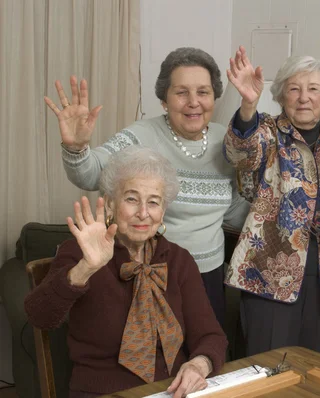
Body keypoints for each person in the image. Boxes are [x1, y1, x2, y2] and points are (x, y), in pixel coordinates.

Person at [44, 47, 250, 327]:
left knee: (207, 358)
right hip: (154, 271)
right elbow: (91, 175)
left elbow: (234, 208)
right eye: (181, 92)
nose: (193, 102)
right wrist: (76, 147)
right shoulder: (142, 134)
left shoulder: (227, 141)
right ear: (164, 100)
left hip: (209, 277)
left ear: (214, 97)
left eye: (203, 92)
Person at [25, 147, 227, 398]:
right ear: (110, 204)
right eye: (131, 199)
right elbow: (39, 316)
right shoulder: (80, 253)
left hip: (174, 391)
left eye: (153, 202)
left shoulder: (179, 260)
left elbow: (211, 335)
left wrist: (198, 365)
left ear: (163, 211)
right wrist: (85, 269)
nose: (143, 213)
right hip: (103, 392)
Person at [222, 46, 320, 358]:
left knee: (318, 374)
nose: (303, 97)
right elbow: (239, 152)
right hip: (267, 279)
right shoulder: (266, 132)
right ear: (281, 95)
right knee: (267, 370)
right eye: (294, 89)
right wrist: (247, 106)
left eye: (313, 89)